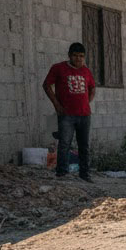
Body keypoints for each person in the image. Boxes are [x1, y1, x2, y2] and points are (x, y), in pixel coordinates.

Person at [43, 42, 96, 181]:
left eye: (81, 56)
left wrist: (86, 102)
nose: (78, 59)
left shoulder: (86, 71)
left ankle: (85, 175)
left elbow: (92, 88)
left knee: (84, 146)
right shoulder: (59, 68)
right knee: (65, 144)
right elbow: (46, 85)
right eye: (75, 56)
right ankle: (62, 174)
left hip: (84, 115)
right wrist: (56, 105)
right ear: (69, 56)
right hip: (66, 115)